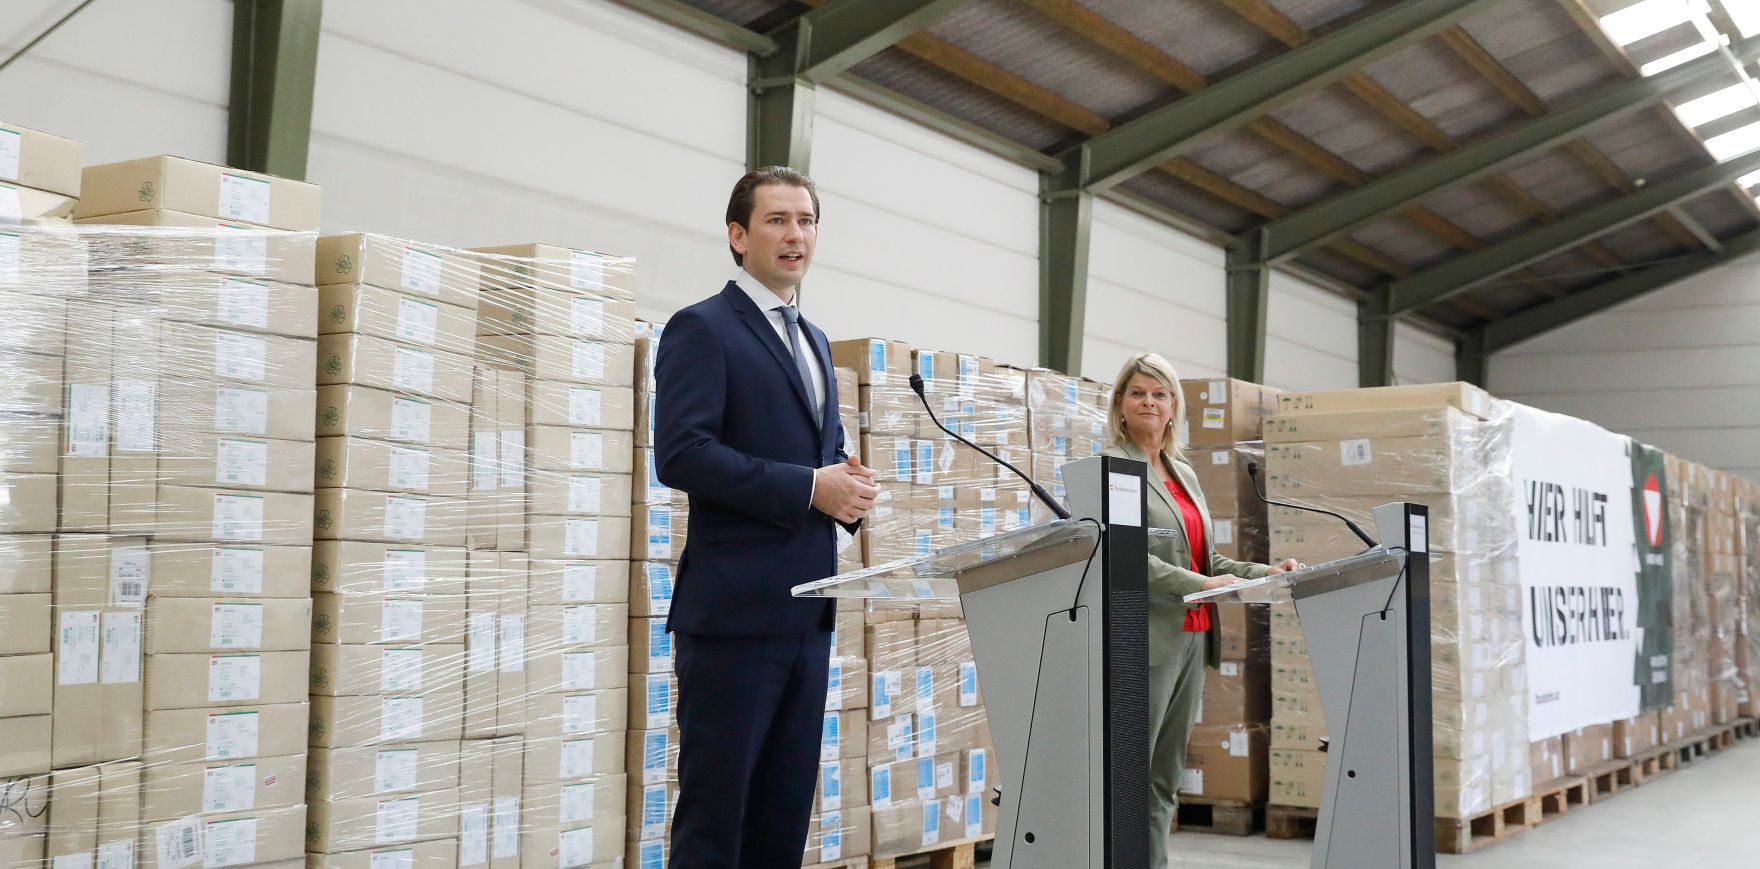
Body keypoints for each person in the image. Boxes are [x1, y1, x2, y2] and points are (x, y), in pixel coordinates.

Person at [653, 166, 879, 868]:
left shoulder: (813, 340)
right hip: (735, 619)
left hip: (807, 616)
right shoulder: (703, 328)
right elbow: (683, 453)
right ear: (738, 234)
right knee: (717, 820)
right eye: (778, 219)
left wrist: (847, 486)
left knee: (781, 820)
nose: (796, 235)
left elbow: (820, 455)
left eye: (807, 221)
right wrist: (810, 487)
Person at [1098, 352, 1298, 868]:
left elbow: (1208, 559)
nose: (1149, 402)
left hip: (1192, 634)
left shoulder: (1181, 471)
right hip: (1143, 639)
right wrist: (1201, 582)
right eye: (1138, 393)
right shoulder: (1114, 469)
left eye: (1160, 394)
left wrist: (1268, 574)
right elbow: (1124, 559)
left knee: (1165, 778)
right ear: (1120, 405)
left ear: (1173, 408)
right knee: (1128, 776)